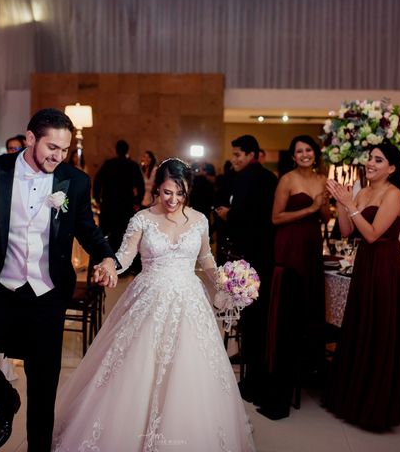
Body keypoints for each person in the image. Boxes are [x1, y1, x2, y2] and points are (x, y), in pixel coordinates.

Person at [0, 108, 119, 452]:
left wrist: (107, 256)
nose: (58, 157)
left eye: (64, 150)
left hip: (46, 295)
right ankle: (6, 401)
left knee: (43, 385)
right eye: (52, 148)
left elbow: (86, 229)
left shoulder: (74, 182)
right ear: (30, 139)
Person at [53, 158, 256, 451]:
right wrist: (108, 267)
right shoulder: (142, 219)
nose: (173, 200)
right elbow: (123, 257)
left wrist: (227, 281)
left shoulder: (199, 220)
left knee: (189, 371)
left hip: (189, 301)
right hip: (149, 300)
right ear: (156, 189)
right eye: (167, 192)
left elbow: (206, 261)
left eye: (180, 194)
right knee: (136, 368)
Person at [324, 141, 400, 431]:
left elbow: (372, 235)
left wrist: (349, 204)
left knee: (380, 326)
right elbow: (348, 231)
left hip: (385, 265)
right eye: (370, 158)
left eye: (379, 159)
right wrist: (341, 200)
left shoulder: (394, 194)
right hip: (364, 264)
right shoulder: (363, 191)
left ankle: (377, 406)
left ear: (392, 168)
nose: (371, 163)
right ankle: (354, 399)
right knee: (362, 324)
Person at [261, 135, 329, 419]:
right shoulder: (287, 180)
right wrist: (309, 209)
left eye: (308, 150)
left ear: (315, 154)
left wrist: (324, 205)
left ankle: (308, 370)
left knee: (309, 308)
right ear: (293, 156)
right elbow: (275, 218)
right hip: (290, 246)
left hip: (312, 245)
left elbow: (325, 216)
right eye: (299, 150)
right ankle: (282, 377)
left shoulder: (323, 179)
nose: (304, 154)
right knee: (289, 311)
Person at [215, 134, 277, 404]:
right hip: (267, 254)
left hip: (249, 256)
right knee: (259, 319)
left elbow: (241, 215)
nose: (235, 159)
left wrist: (227, 214)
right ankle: (258, 373)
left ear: (252, 154)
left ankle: (251, 382)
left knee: (251, 320)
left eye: (239, 154)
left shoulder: (245, 178)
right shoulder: (270, 178)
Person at [93, 139, 145, 252]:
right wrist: (137, 202)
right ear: (127, 150)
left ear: (116, 150)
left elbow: (97, 181)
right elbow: (141, 185)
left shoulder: (108, 164)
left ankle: (106, 258)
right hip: (126, 205)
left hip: (108, 205)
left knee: (106, 235)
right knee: (125, 234)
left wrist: (97, 199)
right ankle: (124, 262)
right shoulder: (133, 165)